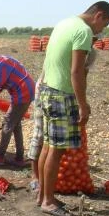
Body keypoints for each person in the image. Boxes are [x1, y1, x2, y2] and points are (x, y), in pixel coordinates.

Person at [36, 1, 109, 216]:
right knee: (57, 150)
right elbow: (77, 71)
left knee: (48, 146)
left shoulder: (65, 22)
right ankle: (48, 202)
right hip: (62, 94)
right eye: (104, 24)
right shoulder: (83, 31)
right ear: (99, 15)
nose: (101, 30)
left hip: (48, 90)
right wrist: (83, 104)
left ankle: (43, 196)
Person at [28, 36, 99, 193]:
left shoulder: (91, 54)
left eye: (93, 40)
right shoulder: (66, 47)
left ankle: (50, 185)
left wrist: (82, 102)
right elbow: (71, 73)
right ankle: (35, 178)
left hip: (66, 95)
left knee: (55, 142)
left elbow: (82, 77)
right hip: (46, 90)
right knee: (41, 136)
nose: (90, 42)